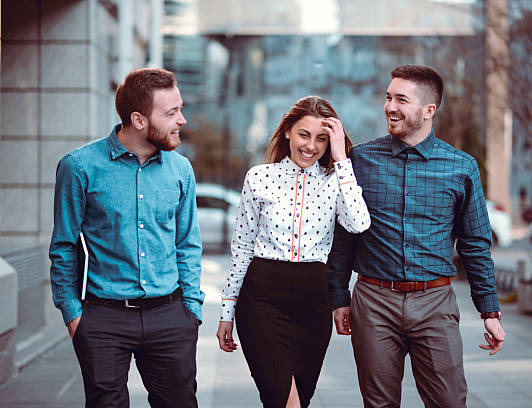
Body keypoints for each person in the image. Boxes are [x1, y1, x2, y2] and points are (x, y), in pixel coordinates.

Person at [327, 64, 506, 408]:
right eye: (388, 97)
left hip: (434, 302)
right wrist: (339, 296)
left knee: (450, 401)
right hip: (374, 301)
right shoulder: (360, 159)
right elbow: (344, 235)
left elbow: (475, 244)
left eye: (401, 100)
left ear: (428, 110)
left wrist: (490, 312)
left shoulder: (461, 167)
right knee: (379, 405)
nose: (390, 106)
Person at [49, 68, 203, 408]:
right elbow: (64, 247)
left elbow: (187, 243)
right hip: (104, 319)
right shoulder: (79, 167)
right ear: (138, 119)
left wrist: (191, 308)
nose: (182, 119)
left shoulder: (181, 170)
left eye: (180, 108)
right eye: (171, 113)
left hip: (170, 316)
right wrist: (74, 315)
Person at [216, 96, 370, 408]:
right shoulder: (259, 177)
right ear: (287, 131)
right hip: (261, 298)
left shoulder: (335, 181)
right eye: (304, 134)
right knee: (283, 400)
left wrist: (341, 159)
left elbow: (358, 223)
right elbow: (242, 248)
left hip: (312, 303)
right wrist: (226, 312)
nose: (311, 146)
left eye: (321, 139)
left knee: (299, 400)